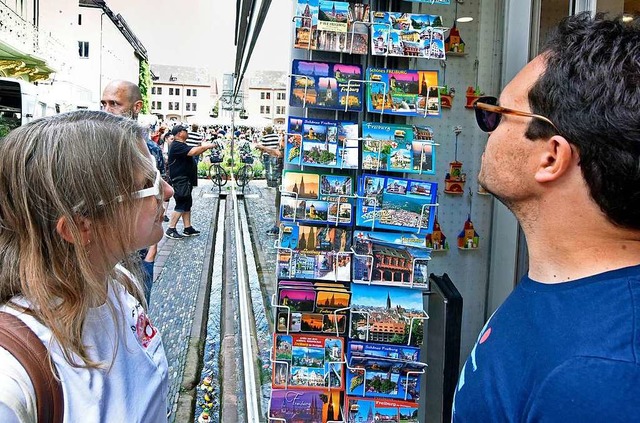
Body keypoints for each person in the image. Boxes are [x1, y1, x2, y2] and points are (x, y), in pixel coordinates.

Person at [453, 13, 640, 422]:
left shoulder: (600, 378)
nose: (488, 127)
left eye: (497, 114)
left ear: (551, 157)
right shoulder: (567, 287)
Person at [0, 111, 173, 421]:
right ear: (81, 227)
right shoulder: (13, 379)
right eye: (149, 183)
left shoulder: (119, 282)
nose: (167, 191)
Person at [101, 80, 165, 304]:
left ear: (136, 107)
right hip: (105, 248)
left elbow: (158, 198)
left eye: (115, 104)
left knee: (138, 311)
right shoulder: (96, 148)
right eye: (104, 103)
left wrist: (152, 249)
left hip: (137, 250)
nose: (107, 110)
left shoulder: (150, 150)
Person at [165, 125, 217, 239]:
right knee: (182, 202)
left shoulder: (181, 145)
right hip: (180, 179)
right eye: (185, 130)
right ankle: (171, 229)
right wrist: (208, 146)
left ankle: (187, 228)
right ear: (179, 133)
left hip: (185, 179)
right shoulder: (177, 145)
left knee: (187, 203)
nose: (187, 132)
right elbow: (193, 151)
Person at [255, 126, 283, 236]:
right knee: (277, 202)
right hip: (280, 175)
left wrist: (262, 148)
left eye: (283, 140)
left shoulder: (283, 149)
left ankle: (278, 226)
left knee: (279, 201)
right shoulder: (276, 138)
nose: (281, 141)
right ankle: (277, 225)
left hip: (282, 179)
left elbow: (278, 153)